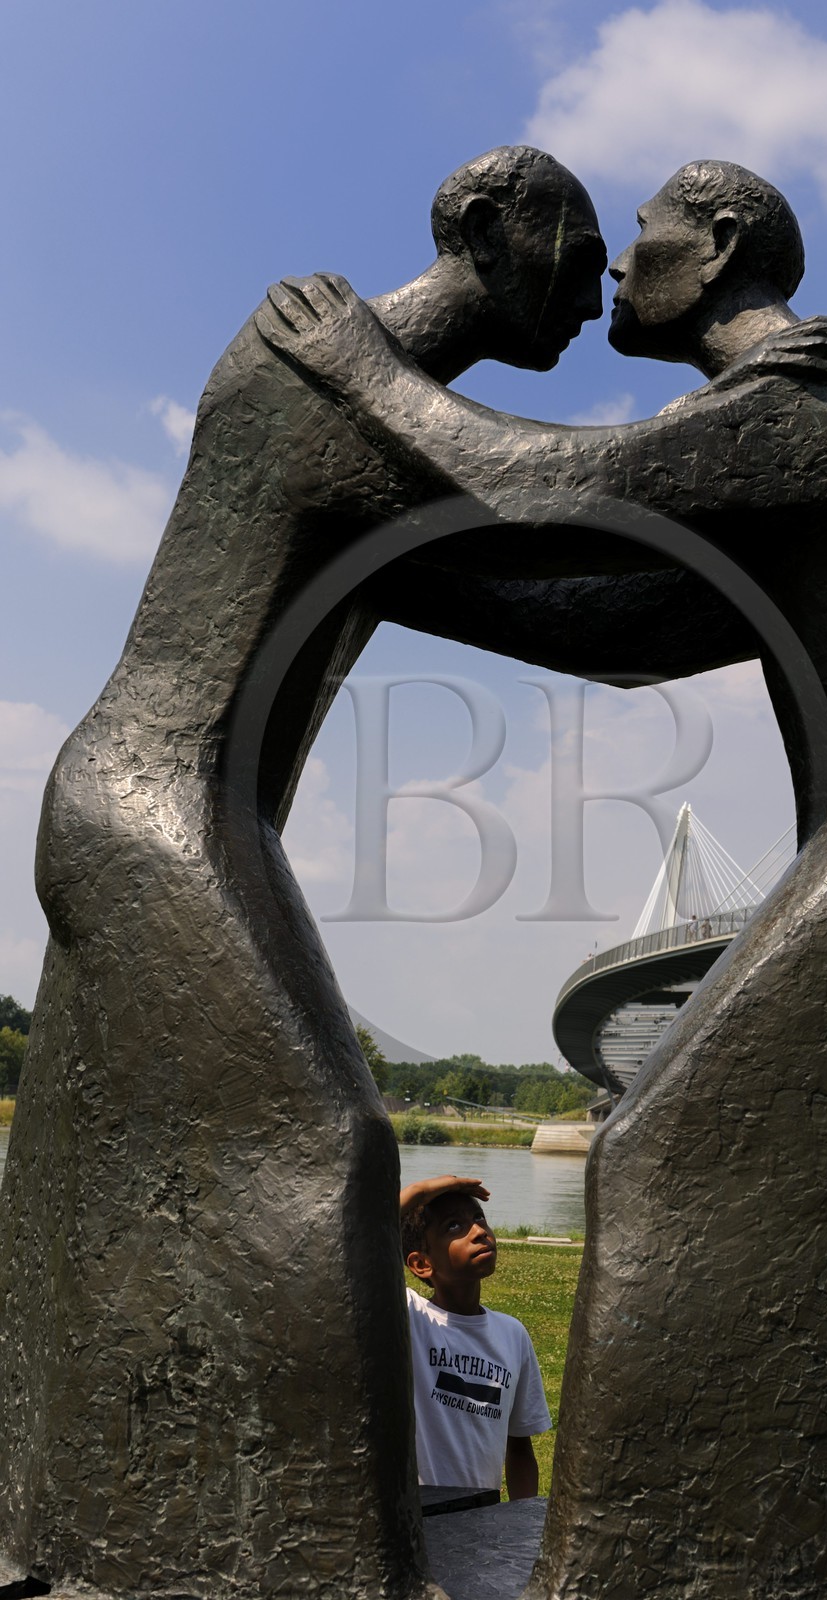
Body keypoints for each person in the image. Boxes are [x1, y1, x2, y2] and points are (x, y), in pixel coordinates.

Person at [256, 161, 827, 1597]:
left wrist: (356, 373)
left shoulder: (817, 391)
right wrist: (374, 562)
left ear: (726, 247)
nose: (617, 273)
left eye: (642, 243)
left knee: (670, 1157)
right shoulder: (808, 407)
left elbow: (544, 488)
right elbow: (624, 621)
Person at [0, 148, 605, 1600]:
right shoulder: (313, 375)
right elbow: (546, 521)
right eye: (576, 250)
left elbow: (579, 607)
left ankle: (103, 1512)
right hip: (157, 810)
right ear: (480, 228)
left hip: (191, 818)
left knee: (117, 1181)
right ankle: (299, 1560)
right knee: (324, 1150)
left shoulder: (360, 405)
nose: (592, 292)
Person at [399, 1175, 549, 1499]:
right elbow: (357, 1241)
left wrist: (523, 1528)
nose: (479, 1231)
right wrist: (419, 1192)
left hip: (484, 1520)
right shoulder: (409, 1318)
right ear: (421, 1264)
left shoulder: (512, 1334)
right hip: (423, 1518)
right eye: (454, 1227)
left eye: (478, 1218)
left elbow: (520, 1447)